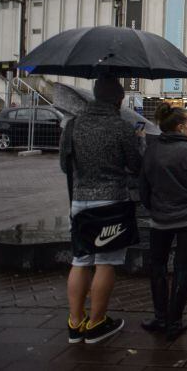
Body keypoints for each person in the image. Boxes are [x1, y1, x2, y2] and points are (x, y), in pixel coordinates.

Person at [60, 76, 144, 344]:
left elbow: (65, 165)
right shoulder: (121, 127)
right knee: (105, 262)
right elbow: (136, 165)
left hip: (80, 201)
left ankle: (75, 323)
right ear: (118, 100)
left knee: (80, 260)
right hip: (111, 203)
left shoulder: (73, 125)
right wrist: (139, 140)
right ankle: (96, 323)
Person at [139, 104, 187, 341]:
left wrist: (155, 208)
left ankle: (160, 317)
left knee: (157, 268)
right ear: (181, 128)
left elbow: (144, 188)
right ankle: (175, 320)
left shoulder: (152, 149)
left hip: (159, 221)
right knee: (183, 269)